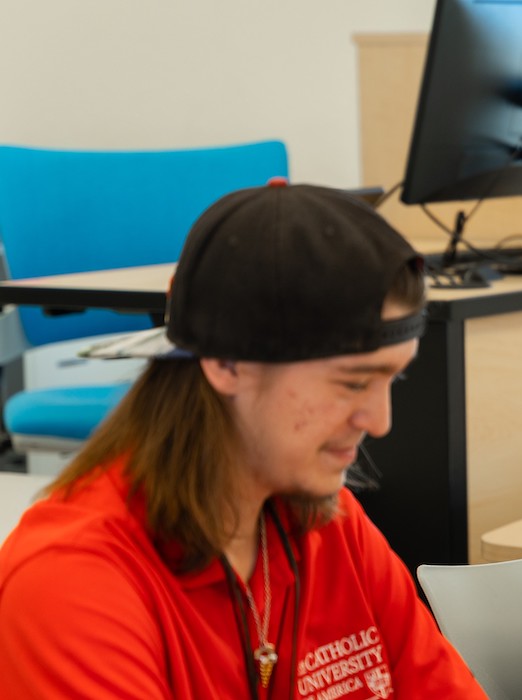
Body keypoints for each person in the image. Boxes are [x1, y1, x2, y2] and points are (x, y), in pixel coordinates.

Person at [0, 181, 487, 699]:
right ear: (227, 363)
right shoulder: (71, 583)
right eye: (351, 382)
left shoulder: (333, 527)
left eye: (394, 379)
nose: (380, 420)